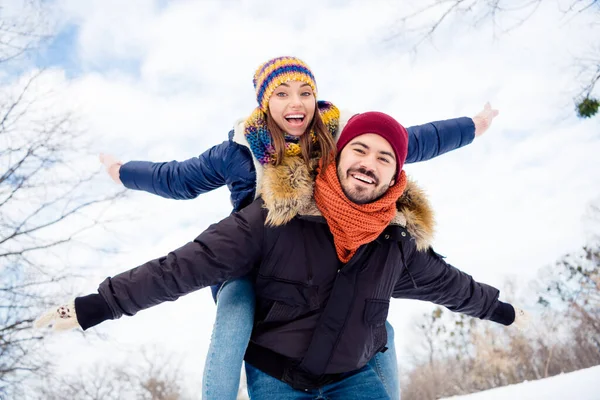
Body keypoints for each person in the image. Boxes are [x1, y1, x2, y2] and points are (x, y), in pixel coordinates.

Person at [36, 111, 525, 399]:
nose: (370, 163)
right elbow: (181, 259)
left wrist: (501, 309)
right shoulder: (259, 190)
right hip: (272, 345)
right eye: (361, 151)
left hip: (350, 373)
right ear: (336, 157)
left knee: (382, 330)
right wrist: (95, 305)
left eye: (385, 158)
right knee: (234, 314)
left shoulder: (397, 241)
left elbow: (450, 284)